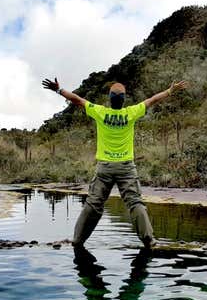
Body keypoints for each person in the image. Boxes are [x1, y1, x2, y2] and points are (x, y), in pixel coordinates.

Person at [42, 77, 188, 248]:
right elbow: (152, 101)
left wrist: (59, 90)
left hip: (105, 168)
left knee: (93, 203)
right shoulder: (131, 113)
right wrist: (170, 91)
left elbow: (77, 100)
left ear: (109, 98)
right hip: (126, 167)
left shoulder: (100, 112)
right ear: (124, 99)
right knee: (135, 203)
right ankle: (149, 241)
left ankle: (77, 240)